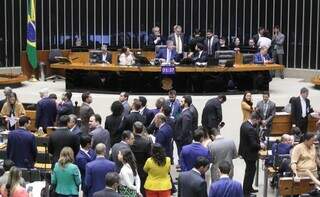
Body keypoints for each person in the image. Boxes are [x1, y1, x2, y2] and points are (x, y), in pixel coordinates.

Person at [238, 112, 265, 196]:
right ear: (255, 119)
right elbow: (253, 144)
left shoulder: (244, 124)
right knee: (250, 172)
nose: (257, 123)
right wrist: (261, 146)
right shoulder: (250, 129)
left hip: (245, 152)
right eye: (257, 121)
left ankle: (249, 188)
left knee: (251, 170)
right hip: (250, 154)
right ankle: (246, 192)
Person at [131, 121, 152, 196]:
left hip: (132, 168)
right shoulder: (147, 142)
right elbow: (150, 156)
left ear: (134, 129)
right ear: (142, 129)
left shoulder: (131, 142)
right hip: (143, 168)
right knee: (142, 189)